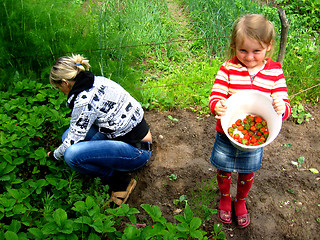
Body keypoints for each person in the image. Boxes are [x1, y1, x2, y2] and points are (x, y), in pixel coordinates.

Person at [208, 14, 291, 228]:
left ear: (268, 47)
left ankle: (241, 200)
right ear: (234, 46)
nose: (249, 57)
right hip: (227, 133)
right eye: (243, 50)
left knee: (248, 170)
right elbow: (216, 94)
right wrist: (217, 105)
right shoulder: (228, 68)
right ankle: (225, 197)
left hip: (254, 141)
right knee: (223, 168)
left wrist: (281, 108)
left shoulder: (275, 72)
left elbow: (283, 102)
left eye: (257, 51)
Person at [47, 54, 152, 206]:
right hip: (127, 134)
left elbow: (72, 142)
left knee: (71, 155)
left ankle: (120, 181)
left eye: (58, 87)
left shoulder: (84, 100)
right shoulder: (96, 80)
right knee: (66, 137)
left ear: (65, 82)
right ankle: (108, 165)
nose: (59, 90)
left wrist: (55, 156)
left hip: (137, 151)